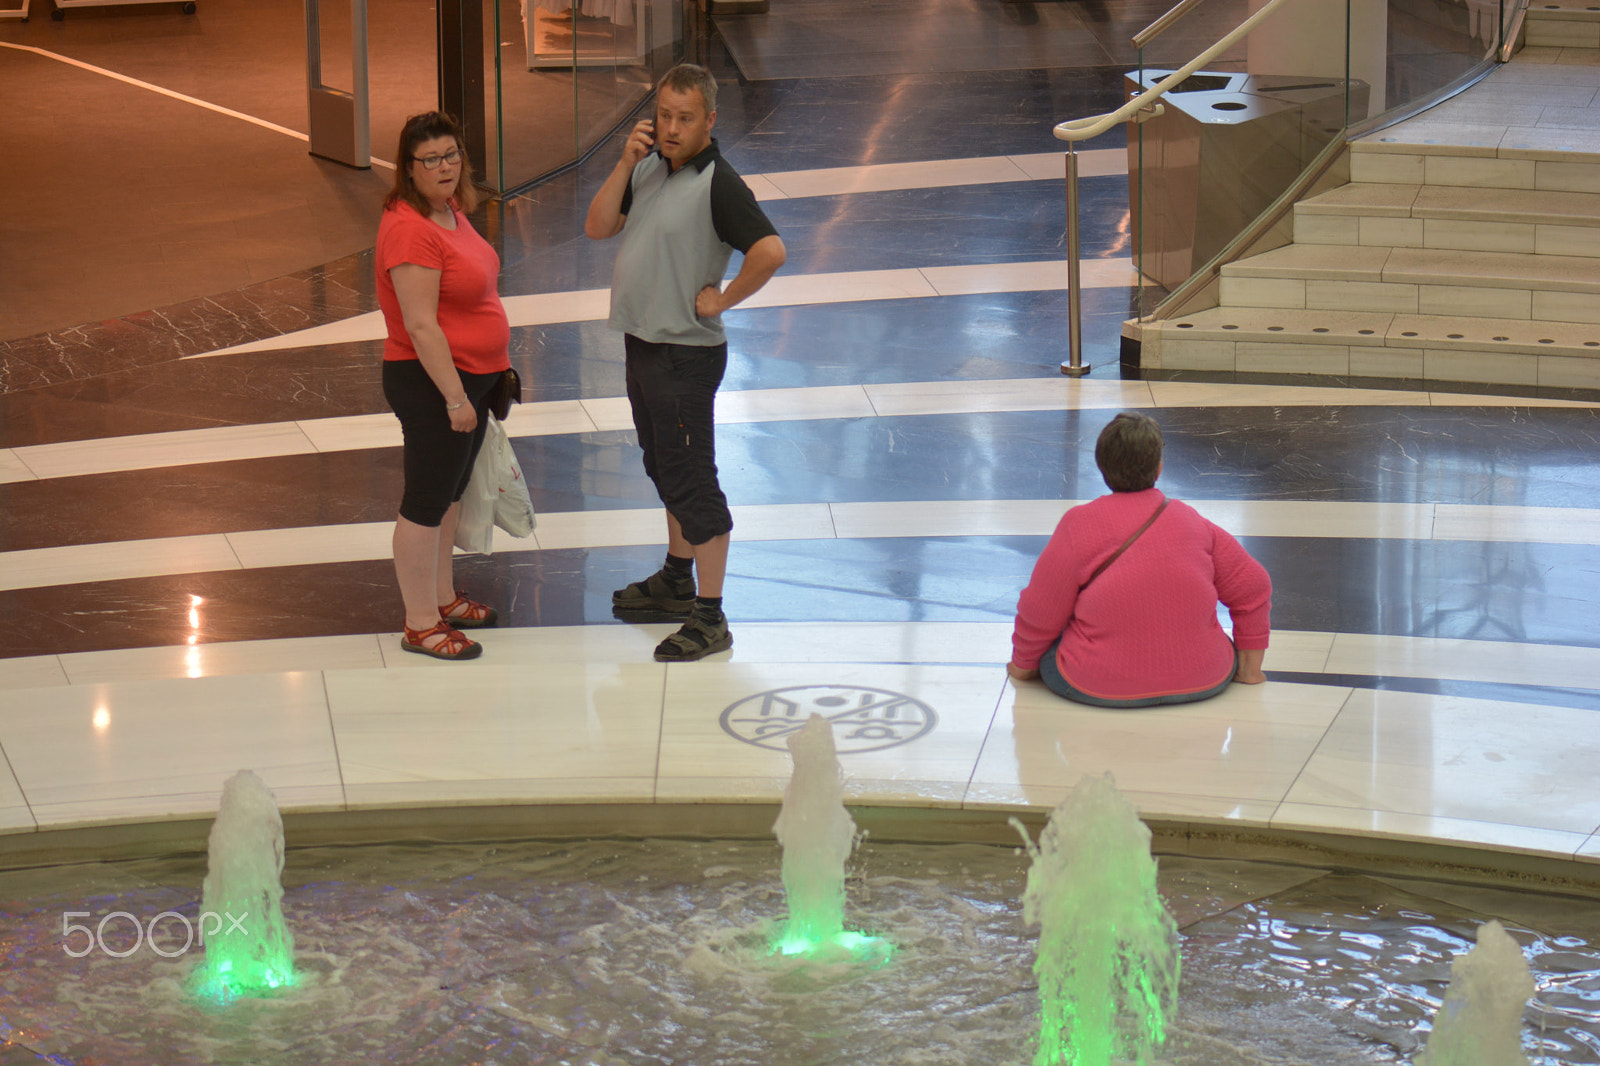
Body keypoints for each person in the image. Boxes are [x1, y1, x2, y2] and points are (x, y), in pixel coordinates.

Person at [584, 63, 787, 662]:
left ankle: (710, 613)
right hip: (642, 343)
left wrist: (723, 299)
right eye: (664, 116)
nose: (672, 128)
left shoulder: (718, 181)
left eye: (685, 118)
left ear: (710, 121)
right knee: (664, 465)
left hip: (684, 354)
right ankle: (677, 576)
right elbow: (598, 226)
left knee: (694, 481)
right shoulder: (648, 167)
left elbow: (771, 250)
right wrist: (625, 162)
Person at [1008, 412, 1271, 706]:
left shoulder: (1078, 525)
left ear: (1101, 465)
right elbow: (1254, 585)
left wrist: (1023, 665)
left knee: (1055, 646)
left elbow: (1042, 610)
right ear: (1158, 468)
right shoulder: (1191, 521)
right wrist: (1249, 670)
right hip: (1205, 679)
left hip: (1097, 682)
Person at [376, 111, 511, 661]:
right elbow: (421, 325)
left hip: (471, 381)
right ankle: (420, 623)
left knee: (449, 497)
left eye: (451, 154)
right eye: (430, 160)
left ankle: (441, 597)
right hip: (433, 384)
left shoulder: (450, 210)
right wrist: (456, 397)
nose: (445, 167)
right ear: (408, 169)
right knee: (425, 503)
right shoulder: (410, 229)